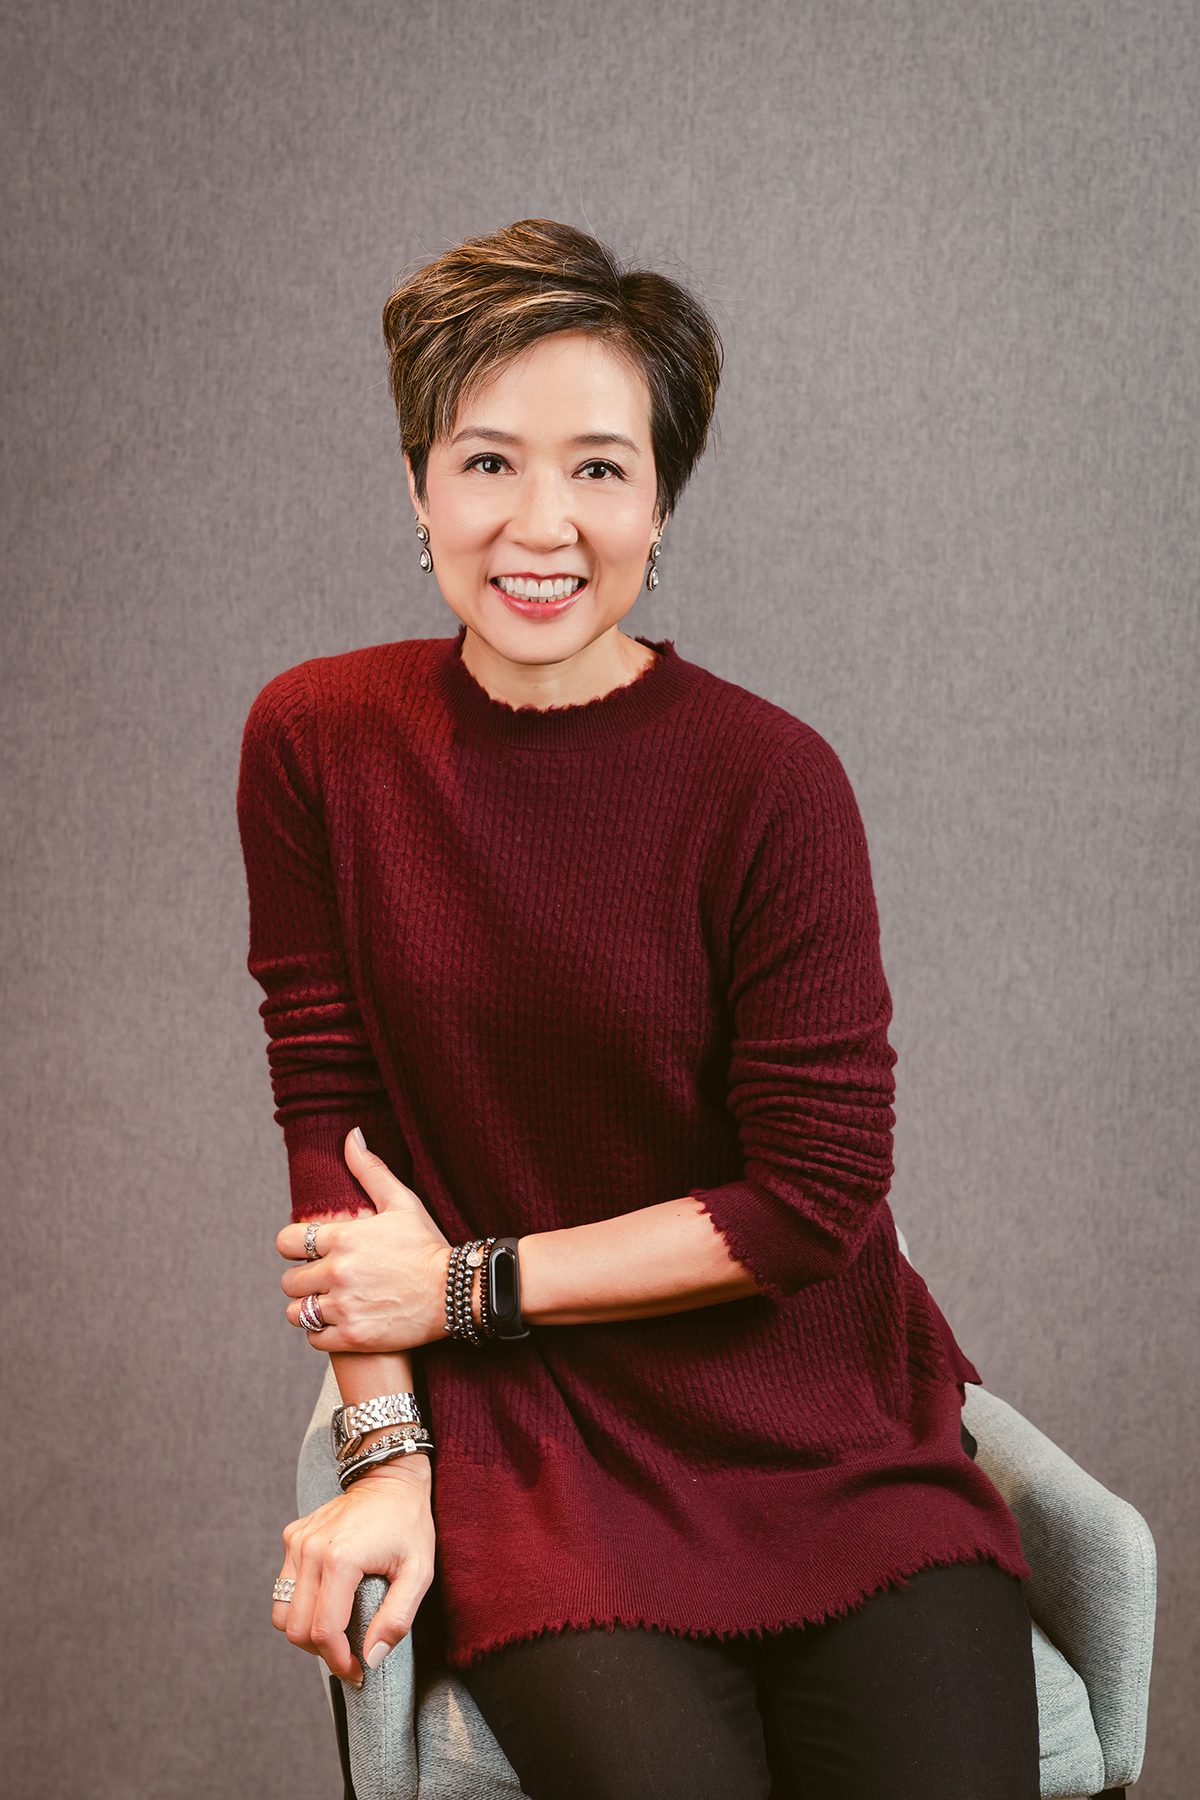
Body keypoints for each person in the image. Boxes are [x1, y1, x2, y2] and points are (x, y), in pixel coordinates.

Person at [236, 217, 1042, 1799]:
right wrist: (387, 1462)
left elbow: (811, 1202)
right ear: (418, 486)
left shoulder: (771, 781)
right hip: (542, 1453)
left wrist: (464, 1287)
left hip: (824, 1429)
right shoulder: (318, 742)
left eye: (601, 468)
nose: (544, 524)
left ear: (663, 503)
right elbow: (330, 1136)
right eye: (488, 462)